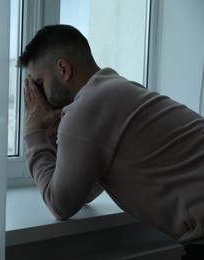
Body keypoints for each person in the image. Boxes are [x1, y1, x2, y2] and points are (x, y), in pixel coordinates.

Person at [18, 24, 204, 260]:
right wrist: (55, 131)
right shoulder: (116, 89)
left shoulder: (85, 109)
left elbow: (60, 204)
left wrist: (33, 133)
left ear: (63, 69)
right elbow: (82, 189)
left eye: (39, 83)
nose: (38, 97)